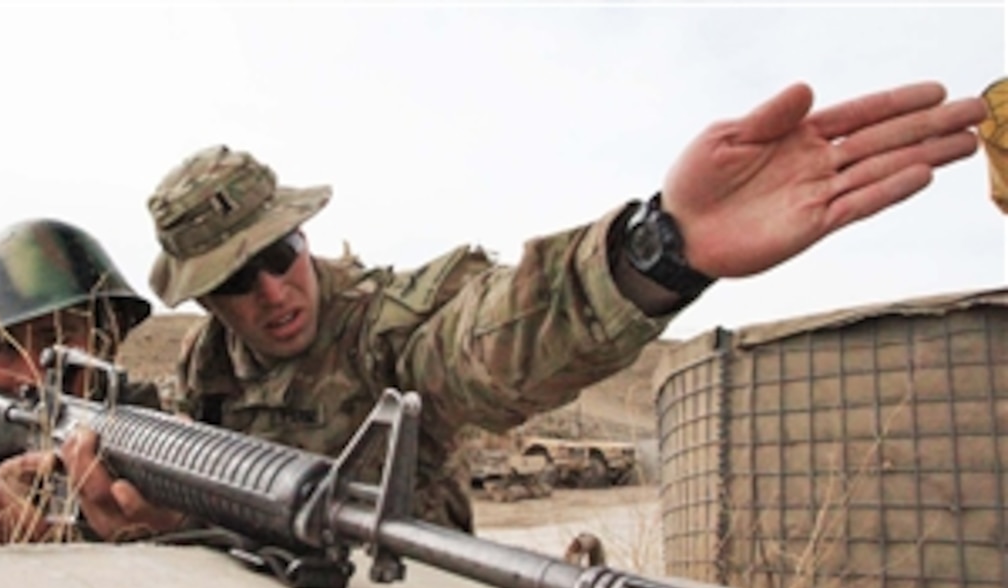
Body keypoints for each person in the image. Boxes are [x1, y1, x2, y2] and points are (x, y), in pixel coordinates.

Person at [70, 80, 988, 536]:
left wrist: (658, 250)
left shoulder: (383, 323)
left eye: (279, 255)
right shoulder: (209, 370)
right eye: (236, 282)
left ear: (303, 237)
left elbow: (486, 345)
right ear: (206, 301)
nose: (272, 293)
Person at [0, 219, 183, 543]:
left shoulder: (157, 439)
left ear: (104, 342)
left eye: (58, 339)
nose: (34, 373)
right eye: (4, 348)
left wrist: (172, 531)